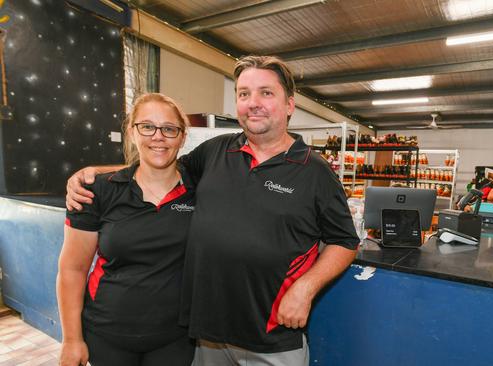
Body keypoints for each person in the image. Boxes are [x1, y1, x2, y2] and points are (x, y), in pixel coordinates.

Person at [65, 56, 360, 366]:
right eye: (244, 93)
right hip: (208, 338)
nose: (253, 103)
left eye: (266, 93)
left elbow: (344, 241)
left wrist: (305, 288)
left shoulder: (315, 171)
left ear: (289, 104)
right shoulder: (216, 151)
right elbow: (160, 165)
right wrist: (95, 172)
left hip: (272, 337)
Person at [57, 93, 196, 366]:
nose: (158, 136)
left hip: (176, 338)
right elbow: (72, 270)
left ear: (182, 137)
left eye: (169, 129)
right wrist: (72, 339)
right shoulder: (95, 190)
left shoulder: (199, 188)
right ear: (132, 132)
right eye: (147, 126)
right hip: (107, 336)